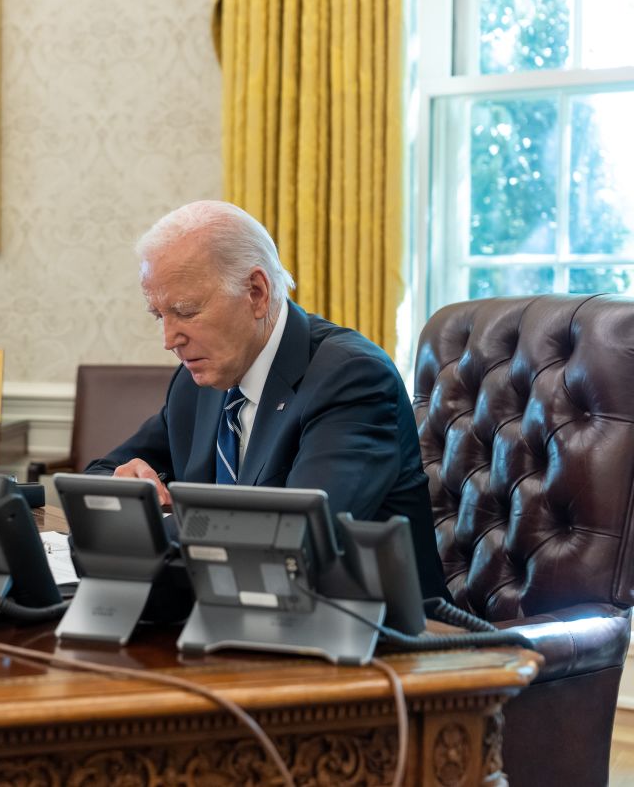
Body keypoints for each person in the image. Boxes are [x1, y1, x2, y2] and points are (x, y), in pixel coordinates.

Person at [88, 200, 447, 599]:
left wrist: (149, 527)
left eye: (186, 312)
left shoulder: (352, 377)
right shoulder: (196, 382)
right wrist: (125, 486)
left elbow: (299, 540)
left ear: (256, 293)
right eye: (159, 315)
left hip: (381, 638)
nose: (169, 340)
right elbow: (98, 475)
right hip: (236, 615)